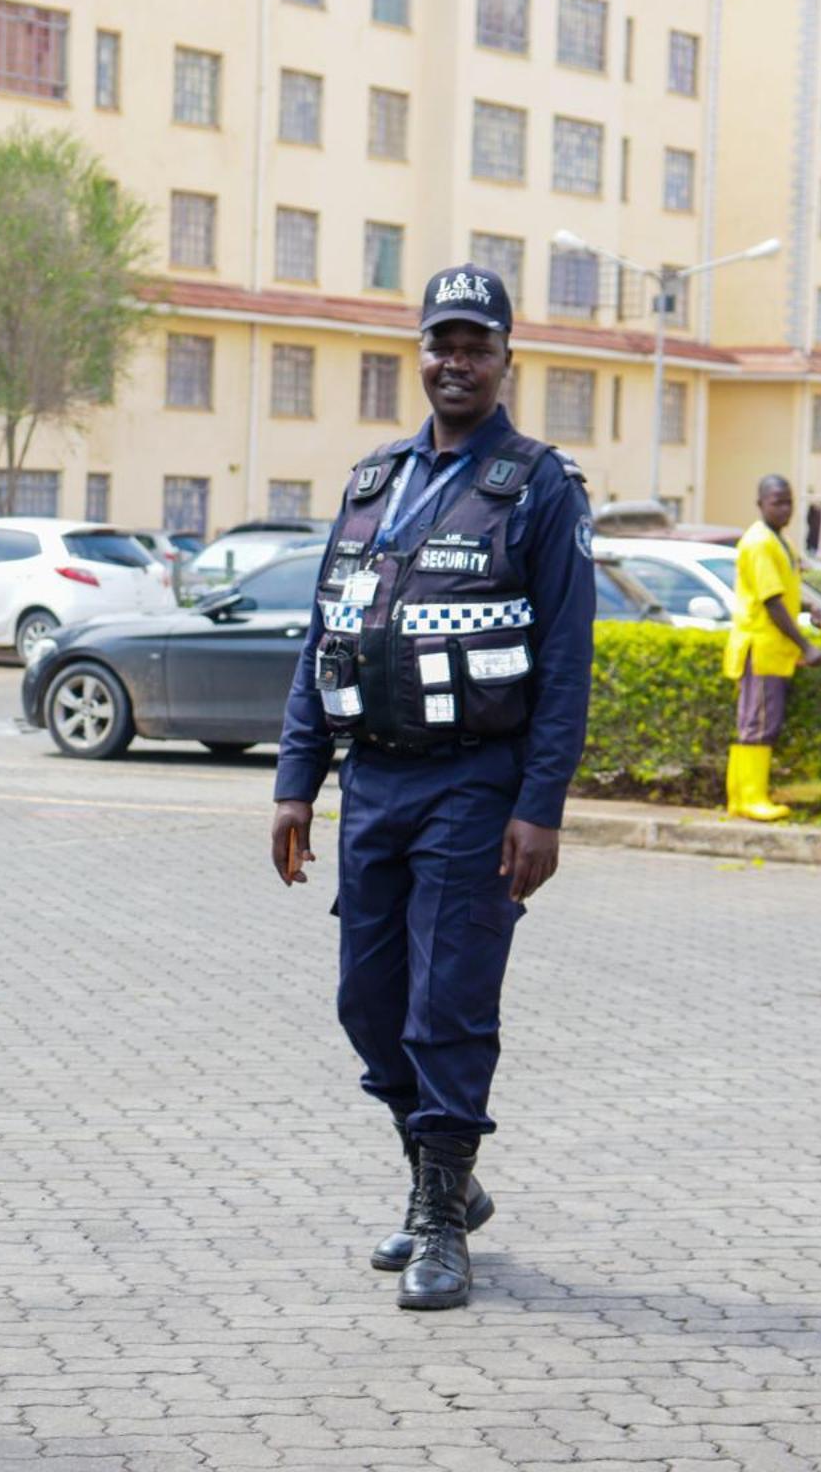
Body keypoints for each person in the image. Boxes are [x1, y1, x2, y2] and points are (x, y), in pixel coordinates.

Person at [269, 264, 596, 1311]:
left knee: (446, 1006)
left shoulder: (540, 487)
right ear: (418, 354)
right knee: (367, 1004)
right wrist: (294, 782)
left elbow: (565, 663)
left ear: (507, 360)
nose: (455, 362)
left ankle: (440, 1217)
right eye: (440, 344)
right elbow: (325, 637)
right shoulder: (372, 483)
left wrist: (538, 807)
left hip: (474, 783)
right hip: (374, 781)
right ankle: (437, 1177)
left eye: (475, 346)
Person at [724, 474, 821, 821]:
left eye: (789, 501)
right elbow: (771, 602)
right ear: (760, 504)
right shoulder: (759, 543)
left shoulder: (778, 540)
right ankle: (750, 798)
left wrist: (808, 607)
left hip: (770, 648)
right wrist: (807, 646)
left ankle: (741, 798)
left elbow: (782, 593)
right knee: (759, 724)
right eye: (777, 502)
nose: (785, 508)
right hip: (762, 646)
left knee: (755, 722)